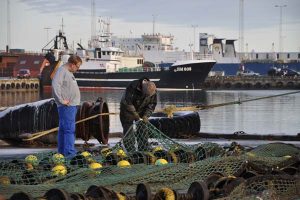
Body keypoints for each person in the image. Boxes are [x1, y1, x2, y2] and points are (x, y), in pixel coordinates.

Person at [52, 55, 82, 159]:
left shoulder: (68, 73)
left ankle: (62, 153)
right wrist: (61, 100)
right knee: (69, 129)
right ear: (72, 64)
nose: (78, 69)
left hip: (71, 106)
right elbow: (55, 85)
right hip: (67, 106)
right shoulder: (62, 71)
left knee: (64, 129)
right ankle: (69, 154)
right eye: (77, 66)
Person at [120, 77, 157, 151]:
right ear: (143, 89)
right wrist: (136, 115)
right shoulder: (133, 86)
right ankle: (130, 150)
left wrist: (146, 115)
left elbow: (152, 104)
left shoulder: (152, 90)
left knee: (143, 129)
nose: (147, 96)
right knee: (128, 131)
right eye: (146, 95)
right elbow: (128, 102)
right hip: (127, 110)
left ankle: (143, 149)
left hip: (142, 110)